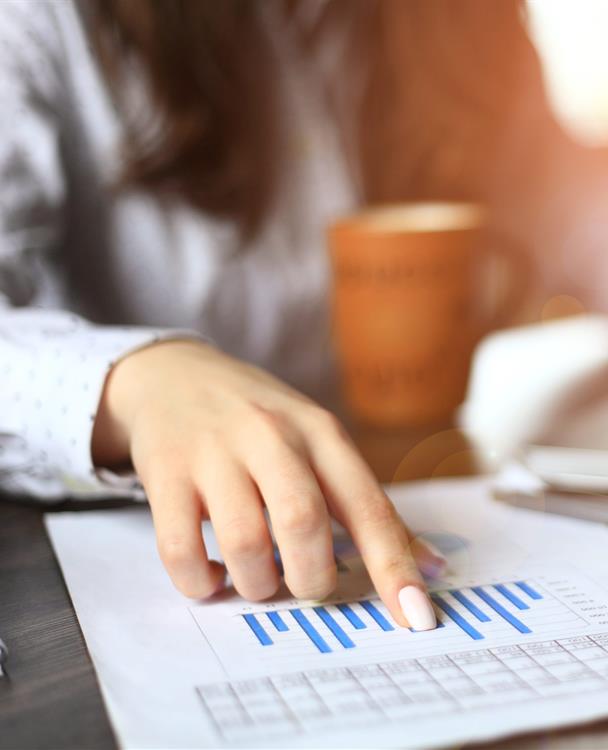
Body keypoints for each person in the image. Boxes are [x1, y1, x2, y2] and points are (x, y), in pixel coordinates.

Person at [0, 0, 603, 632]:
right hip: (120, 550)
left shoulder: (464, 19)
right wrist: (136, 384)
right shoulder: (39, 20)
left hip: (423, 476)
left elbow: (563, 200)